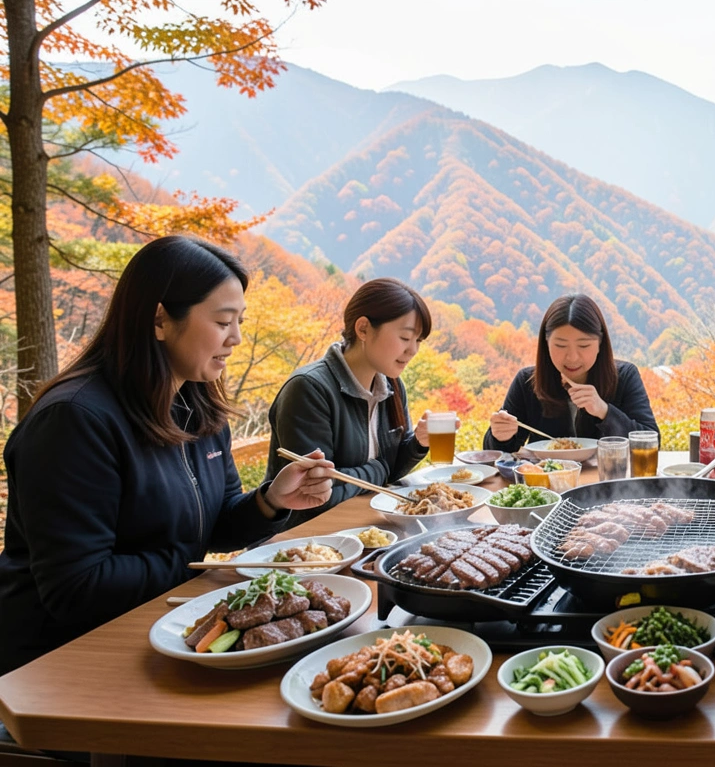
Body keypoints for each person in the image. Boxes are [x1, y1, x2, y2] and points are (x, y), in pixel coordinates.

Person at [0, 236, 334, 676]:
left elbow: (214, 525)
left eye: (239, 321)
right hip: (62, 660)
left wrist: (271, 501)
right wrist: (190, 563)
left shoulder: (198, 406)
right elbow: (76, 587)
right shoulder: (74, 420)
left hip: (156, 626)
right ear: (160, 319)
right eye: (223, 321)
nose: (236, 338)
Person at [265, 278, 435, 527]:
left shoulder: (392, 386)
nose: (413, 350)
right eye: (405, 337)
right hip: (308, 538)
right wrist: (379, 470)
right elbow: (316, 493)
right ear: (363, 329)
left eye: (418, 340)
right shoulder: (309, 388)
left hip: (366, 527)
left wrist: (418, 443)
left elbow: (392, 471)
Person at [485, 295, 657, 451]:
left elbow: (652, 443)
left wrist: (603, 410)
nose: (572, 357)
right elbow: (495, 452)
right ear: (546, 343)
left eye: (584, 345)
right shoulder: (527, 381)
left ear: (600, 343)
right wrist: (500, 436)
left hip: (606, 475)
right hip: (545, 476)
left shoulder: (625, 376)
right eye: (560, 345)